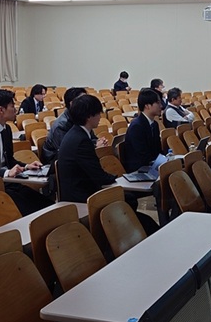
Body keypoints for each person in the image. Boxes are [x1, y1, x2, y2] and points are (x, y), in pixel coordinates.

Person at [57, 94, 160, 234]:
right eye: (98, 113)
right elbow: (98, 176)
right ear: (89, 116)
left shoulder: (77, 134)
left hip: (82, 188)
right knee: (133, 206)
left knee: (130, 199)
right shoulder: (81, 141)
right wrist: (117, 179)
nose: (100, 117)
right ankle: (121, 234)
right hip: (80, 195)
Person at [0, 89, 52, 215]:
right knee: (35, 211)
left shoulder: (6, 129)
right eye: (12, 106)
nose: (15, 109)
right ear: (1, 110)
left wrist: (26, 166)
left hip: (8, 182)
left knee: (47, 205)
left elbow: (9, 160)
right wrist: (7, 172)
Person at [42, 87, 100, 162]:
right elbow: (66, 150)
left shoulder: (83, 118)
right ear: (72, 104)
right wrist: (95, 145)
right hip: (56, 159)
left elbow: (91, 138)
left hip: (78, 153)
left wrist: (98, 142)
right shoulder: (61, 125)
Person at [122, 89, 163, 172]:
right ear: (147, 106)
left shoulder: (154, 124)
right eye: (158, 103)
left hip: (152, 164)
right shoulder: (137, 126)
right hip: (139, 168)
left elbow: (157, 150)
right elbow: (142, 155)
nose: (161, 106)